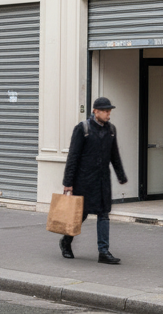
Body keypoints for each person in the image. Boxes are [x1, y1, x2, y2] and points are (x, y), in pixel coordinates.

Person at [60, 97, 127, 264]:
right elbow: (73, 156)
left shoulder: (111, 129)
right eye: (105, 111)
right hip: (84, 179)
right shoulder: (83, 129)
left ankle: (103, 252)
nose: (108, 114)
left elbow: (114, 154)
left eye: (109, 111)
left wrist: (120, 175)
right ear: (95, 111)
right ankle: (66, 241)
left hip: (103, 180)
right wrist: (68, 182)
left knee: (104, 214)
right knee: (80, 215)